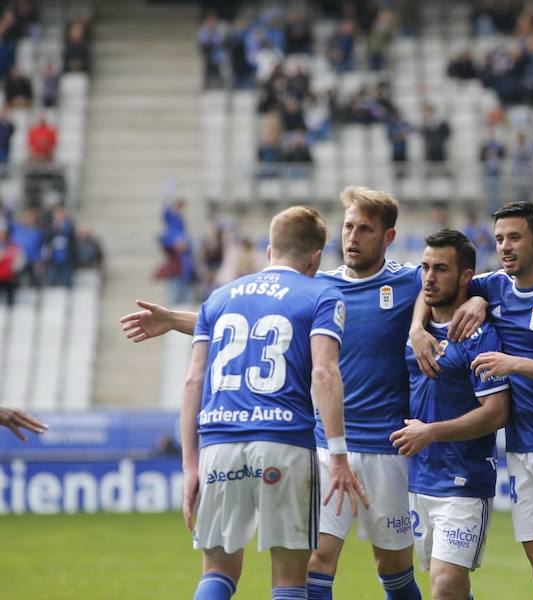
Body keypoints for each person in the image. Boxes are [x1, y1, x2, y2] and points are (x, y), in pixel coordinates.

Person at [120, 187, 424, 600]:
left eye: (364, 230)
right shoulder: (323, 288)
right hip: (321, 445)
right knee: (312, 564)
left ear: (387, 237)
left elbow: (470, 290)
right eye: (348, 227)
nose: (351, 237)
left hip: (387, 448)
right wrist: (174, 318)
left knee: (394, 568)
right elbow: (279, 329)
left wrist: (445, 316)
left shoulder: (412, 282)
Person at [410, 201, 533, 600]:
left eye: (515, 237)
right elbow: (431, 288)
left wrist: (515, 363)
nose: (505, 247)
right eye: (499, 239)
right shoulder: (492, 285)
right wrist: (417, 327)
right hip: (521, 444)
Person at [180, 205, 366, 600]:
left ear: (269, 250)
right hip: (283, 442)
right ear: (316, 257)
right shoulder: (321, 294)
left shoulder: (218, 298)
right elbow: (324, 374)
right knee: (288, 579)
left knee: (217, 570)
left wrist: (190, 464)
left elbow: (194, 379)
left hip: (219, 442)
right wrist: (337, 455)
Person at [391, 230, 510, 600]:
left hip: (464, 479)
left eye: (440, 269)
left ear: (465, 277)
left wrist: (431, 433)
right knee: (447, 588)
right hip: (419, 478)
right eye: (425, 267)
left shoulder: (480, 336)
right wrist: (415, 328)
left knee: (444, 584)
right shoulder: (418, 332)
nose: (428, 276)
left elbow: (497, 413)